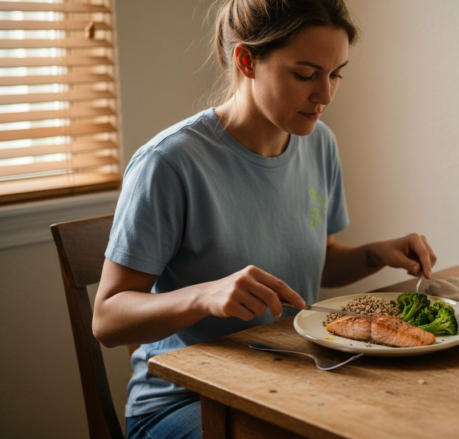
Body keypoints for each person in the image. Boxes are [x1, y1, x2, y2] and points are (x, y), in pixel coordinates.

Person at [92, 1, 436, 438]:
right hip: (185, 400)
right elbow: (107, 319)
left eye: (336, 74)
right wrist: (205, 295)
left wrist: (376, 255)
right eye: (306, 74)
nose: (325, 95)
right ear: (246, 60)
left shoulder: (319, 144)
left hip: (291, 381)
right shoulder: (170, 163)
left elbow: (316, 261)